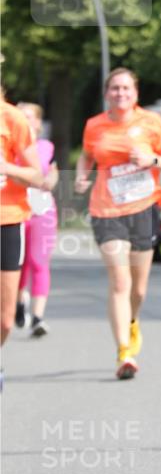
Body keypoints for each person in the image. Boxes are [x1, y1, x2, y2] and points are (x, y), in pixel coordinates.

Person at [74, 68, 161, 380]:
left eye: (126, 89)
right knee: (119, 282)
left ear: (135, 94)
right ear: (107, 93)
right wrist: (82, 175)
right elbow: (86, 156)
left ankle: (132, 321)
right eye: (114, 89)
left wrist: (152, 161)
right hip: (106, 210)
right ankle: (124, 352)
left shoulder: (150, 122)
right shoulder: (94, 125)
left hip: (144, 208)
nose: (120, 93)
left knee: (139, 288)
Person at [0, 90, 42, 355]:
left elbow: (37, 176)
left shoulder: (12, 118)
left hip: (7, 221)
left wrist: (7, 168)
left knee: (4, 320)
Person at [16, 103, 59, 337]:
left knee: (39, 262)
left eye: (29, 116)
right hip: (15, 210)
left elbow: (52, 172)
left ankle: (38, 317)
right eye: (19, 116)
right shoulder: (9, 146)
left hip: (42, 210)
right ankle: (19, 300)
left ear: (38, 123)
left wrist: (50, 180)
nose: (23, 120)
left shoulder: (45, 146)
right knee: (18, 263)